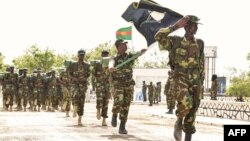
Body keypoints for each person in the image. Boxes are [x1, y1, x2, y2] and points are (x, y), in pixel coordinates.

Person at [155, 15, 205, 141]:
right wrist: (176, 26)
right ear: (186, 26)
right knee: (186, 104)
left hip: (195, 80)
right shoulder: (175, 41)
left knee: (193, 110)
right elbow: (158, 36)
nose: (196, 28)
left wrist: (201, 81)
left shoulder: (199, 43)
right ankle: (179, 121)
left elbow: (201, 63)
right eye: (193, 25)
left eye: (196, 26)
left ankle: (188, 137)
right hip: (180, 77)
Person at [109, 39, 146, 134]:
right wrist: (111, 67)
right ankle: (114, 114)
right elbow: (111, 63)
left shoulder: (129, 56)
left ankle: (122, 127)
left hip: (129, 84)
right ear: (118, 47)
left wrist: (142, 51)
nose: (125, 46)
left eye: (126, 44)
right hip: (118, 84)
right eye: (123, 45)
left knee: (126, 105)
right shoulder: (114, 58)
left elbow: (138, 54)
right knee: (119, 101)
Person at [68, 49, 90, 126]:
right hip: (75, 84)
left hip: (83, 86)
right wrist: (74, 78)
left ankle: (79, 120)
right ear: (78, 55)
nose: (82, 56)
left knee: (81, 102)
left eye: (83, 55)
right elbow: (69, 74)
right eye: (80, 55)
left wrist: (85, 78)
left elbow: (88, 74)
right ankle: (74, 107)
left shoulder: (87, 65)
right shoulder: (73, 65)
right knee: (74, 97)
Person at [92, 50, 111, 126]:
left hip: (107, 85)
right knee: (100, 99)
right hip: (99, 84)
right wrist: (97, 79)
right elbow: (93, 73)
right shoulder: (97, 64)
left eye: (106, 55)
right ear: (101, 55)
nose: (105, 56)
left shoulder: (111, 64)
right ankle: (98, 109)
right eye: (104, 55)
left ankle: (104, 120)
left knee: (106, 102)